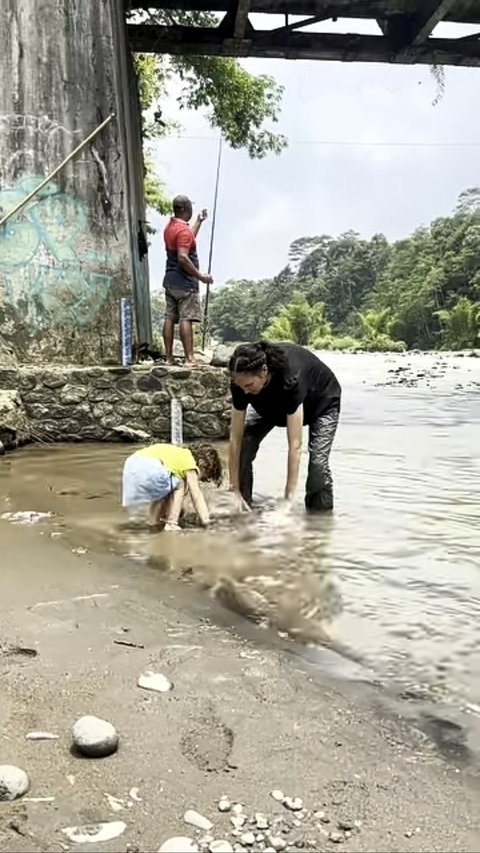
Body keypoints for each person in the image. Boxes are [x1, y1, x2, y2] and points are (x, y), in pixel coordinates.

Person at [228, 341, 341, 513]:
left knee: (318, 464)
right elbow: (235, 438)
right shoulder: (241, 384)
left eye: (249, 385)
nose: (244, 392)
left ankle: (319, 522)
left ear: (263, 372)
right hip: (270, 406)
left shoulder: (290, 379)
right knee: (245, 444)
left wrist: (287, 500)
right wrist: (234, 489)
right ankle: (243, 507)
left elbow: (295, 445)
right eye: (241, 386)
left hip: (322, 403)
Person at [122, 442, 222, 530]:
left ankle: (153, 522)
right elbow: (196, 495)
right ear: (203, 465)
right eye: (202, 478)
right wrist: (206, 521)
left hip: (131, 466)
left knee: (163, 491)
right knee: (180, 483)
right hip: (149, 466)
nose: (198, 480)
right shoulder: (189, 461)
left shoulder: (176, 457)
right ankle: (171, 523)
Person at [162, 195, 213, 366]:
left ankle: (168, 358)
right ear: (184, 208)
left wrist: (199, 221)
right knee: (186, 318)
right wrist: (201, 276)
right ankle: (189, 358)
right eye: (190, 207)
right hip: (184, 283)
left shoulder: (170, 227)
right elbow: (183, 257)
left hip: (170, 281)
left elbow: (187, 238)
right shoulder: (182, 231)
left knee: (169, 317)